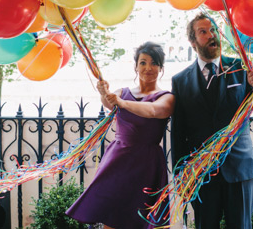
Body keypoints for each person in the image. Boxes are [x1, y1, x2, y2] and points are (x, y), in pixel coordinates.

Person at [171, 13, 253, 229]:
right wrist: (181, 177)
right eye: (203, 31)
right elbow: (178, 132)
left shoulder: (241, 67)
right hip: (202, 173)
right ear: (192, 41)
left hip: (239, 168)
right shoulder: (180, 81)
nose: (212, 35)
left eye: (214, 30)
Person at [66, 42, 175, 229]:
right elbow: (110, 102)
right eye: (143, 62)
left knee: (142, 218)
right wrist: (104, 93)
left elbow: (154, 111)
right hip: (117, 160)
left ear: (161, 68)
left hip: (147, 165)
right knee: (112, 215)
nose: (148, 68)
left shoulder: (166, 97)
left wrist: (122, 103)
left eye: (154, 63)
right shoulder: (122, 93)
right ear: (135, 66)